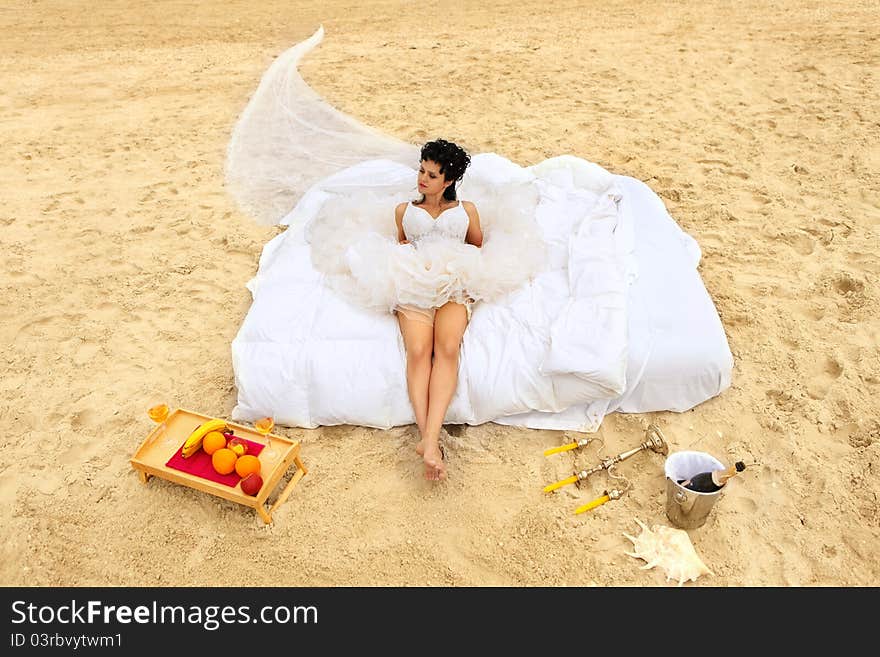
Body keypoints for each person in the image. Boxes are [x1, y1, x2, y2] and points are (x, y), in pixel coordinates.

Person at [392, 139, 482, 481]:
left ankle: (429, 441)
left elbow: (476, 245)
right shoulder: (403, 210)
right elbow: (401, 244)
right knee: (418, 350)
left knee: (447, 347)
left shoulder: (467, 210)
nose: (423, 178)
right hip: (414, 280)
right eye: (421, 170)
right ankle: (429, 442)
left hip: (454, 281)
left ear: (449, 180)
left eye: (432, 174)